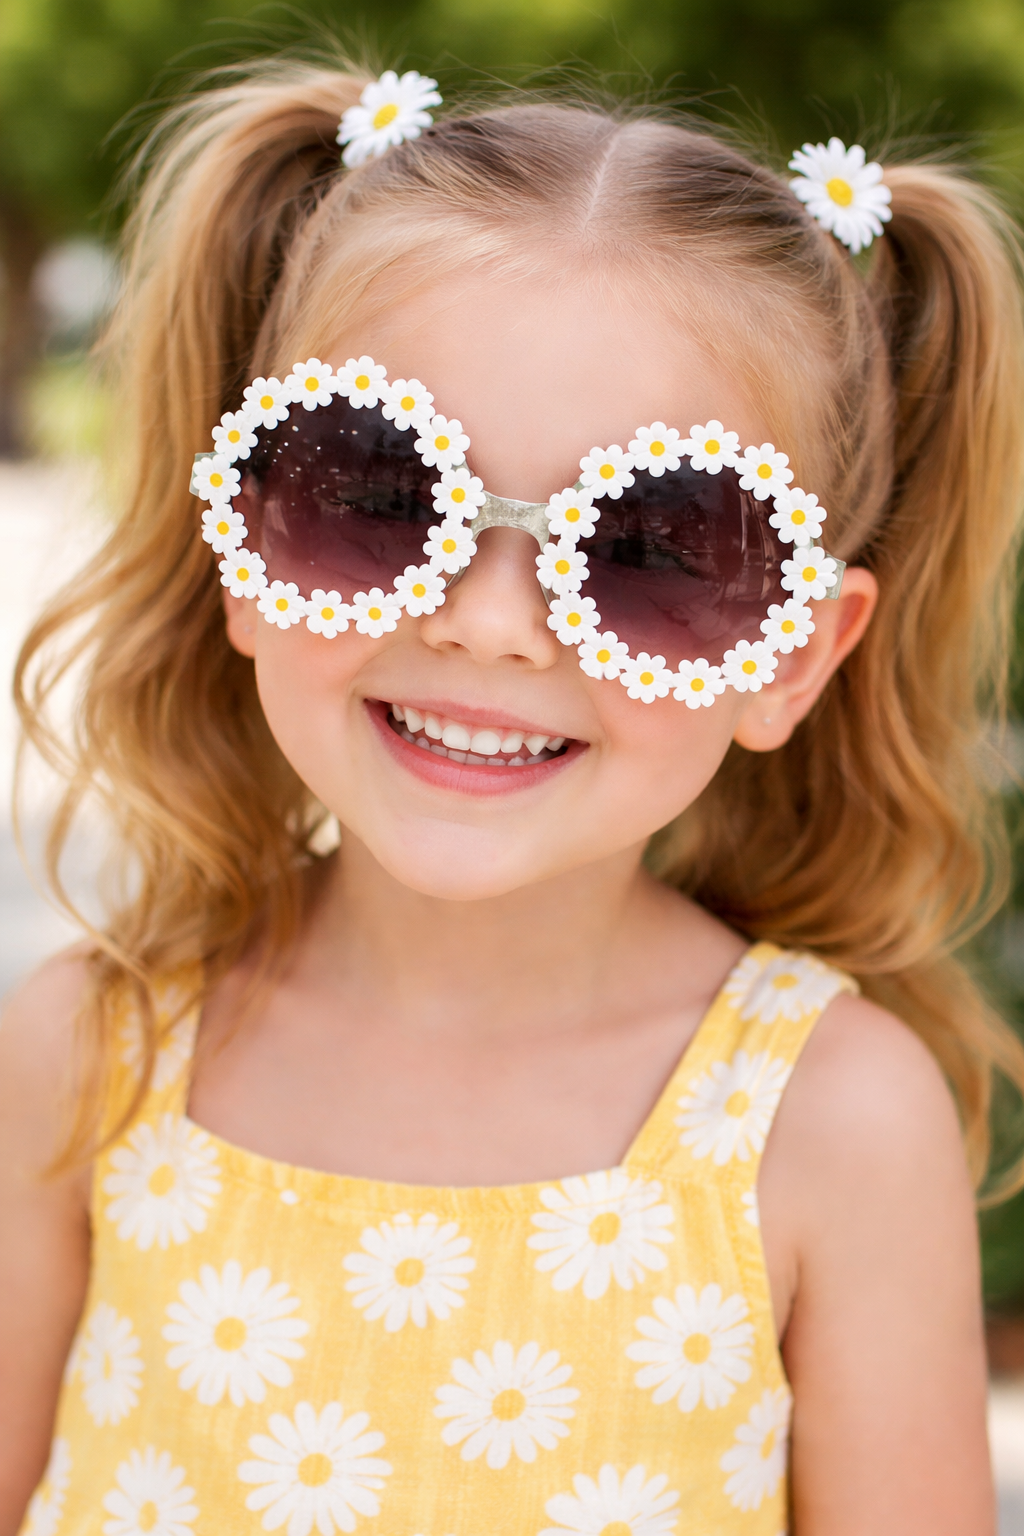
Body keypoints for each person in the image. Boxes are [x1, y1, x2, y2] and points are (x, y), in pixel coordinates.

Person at [2, 58, 1023, 1536]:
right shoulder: (88, 1057)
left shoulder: (831, 1125)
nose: (490, 624)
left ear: (793, 659)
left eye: (660, 549)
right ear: (241, 541)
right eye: (373, 494)